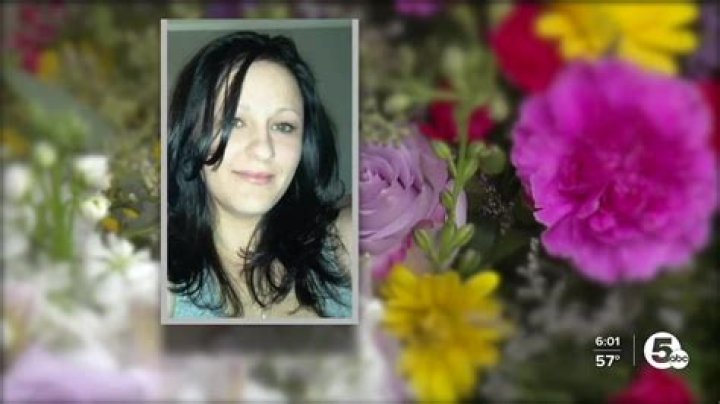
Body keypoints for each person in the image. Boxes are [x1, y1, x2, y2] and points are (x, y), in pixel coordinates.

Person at [167, 31, 352, 319]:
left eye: (283, 126)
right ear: (191, 134)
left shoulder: (345, 244)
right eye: (234, 121)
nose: (264, 149)